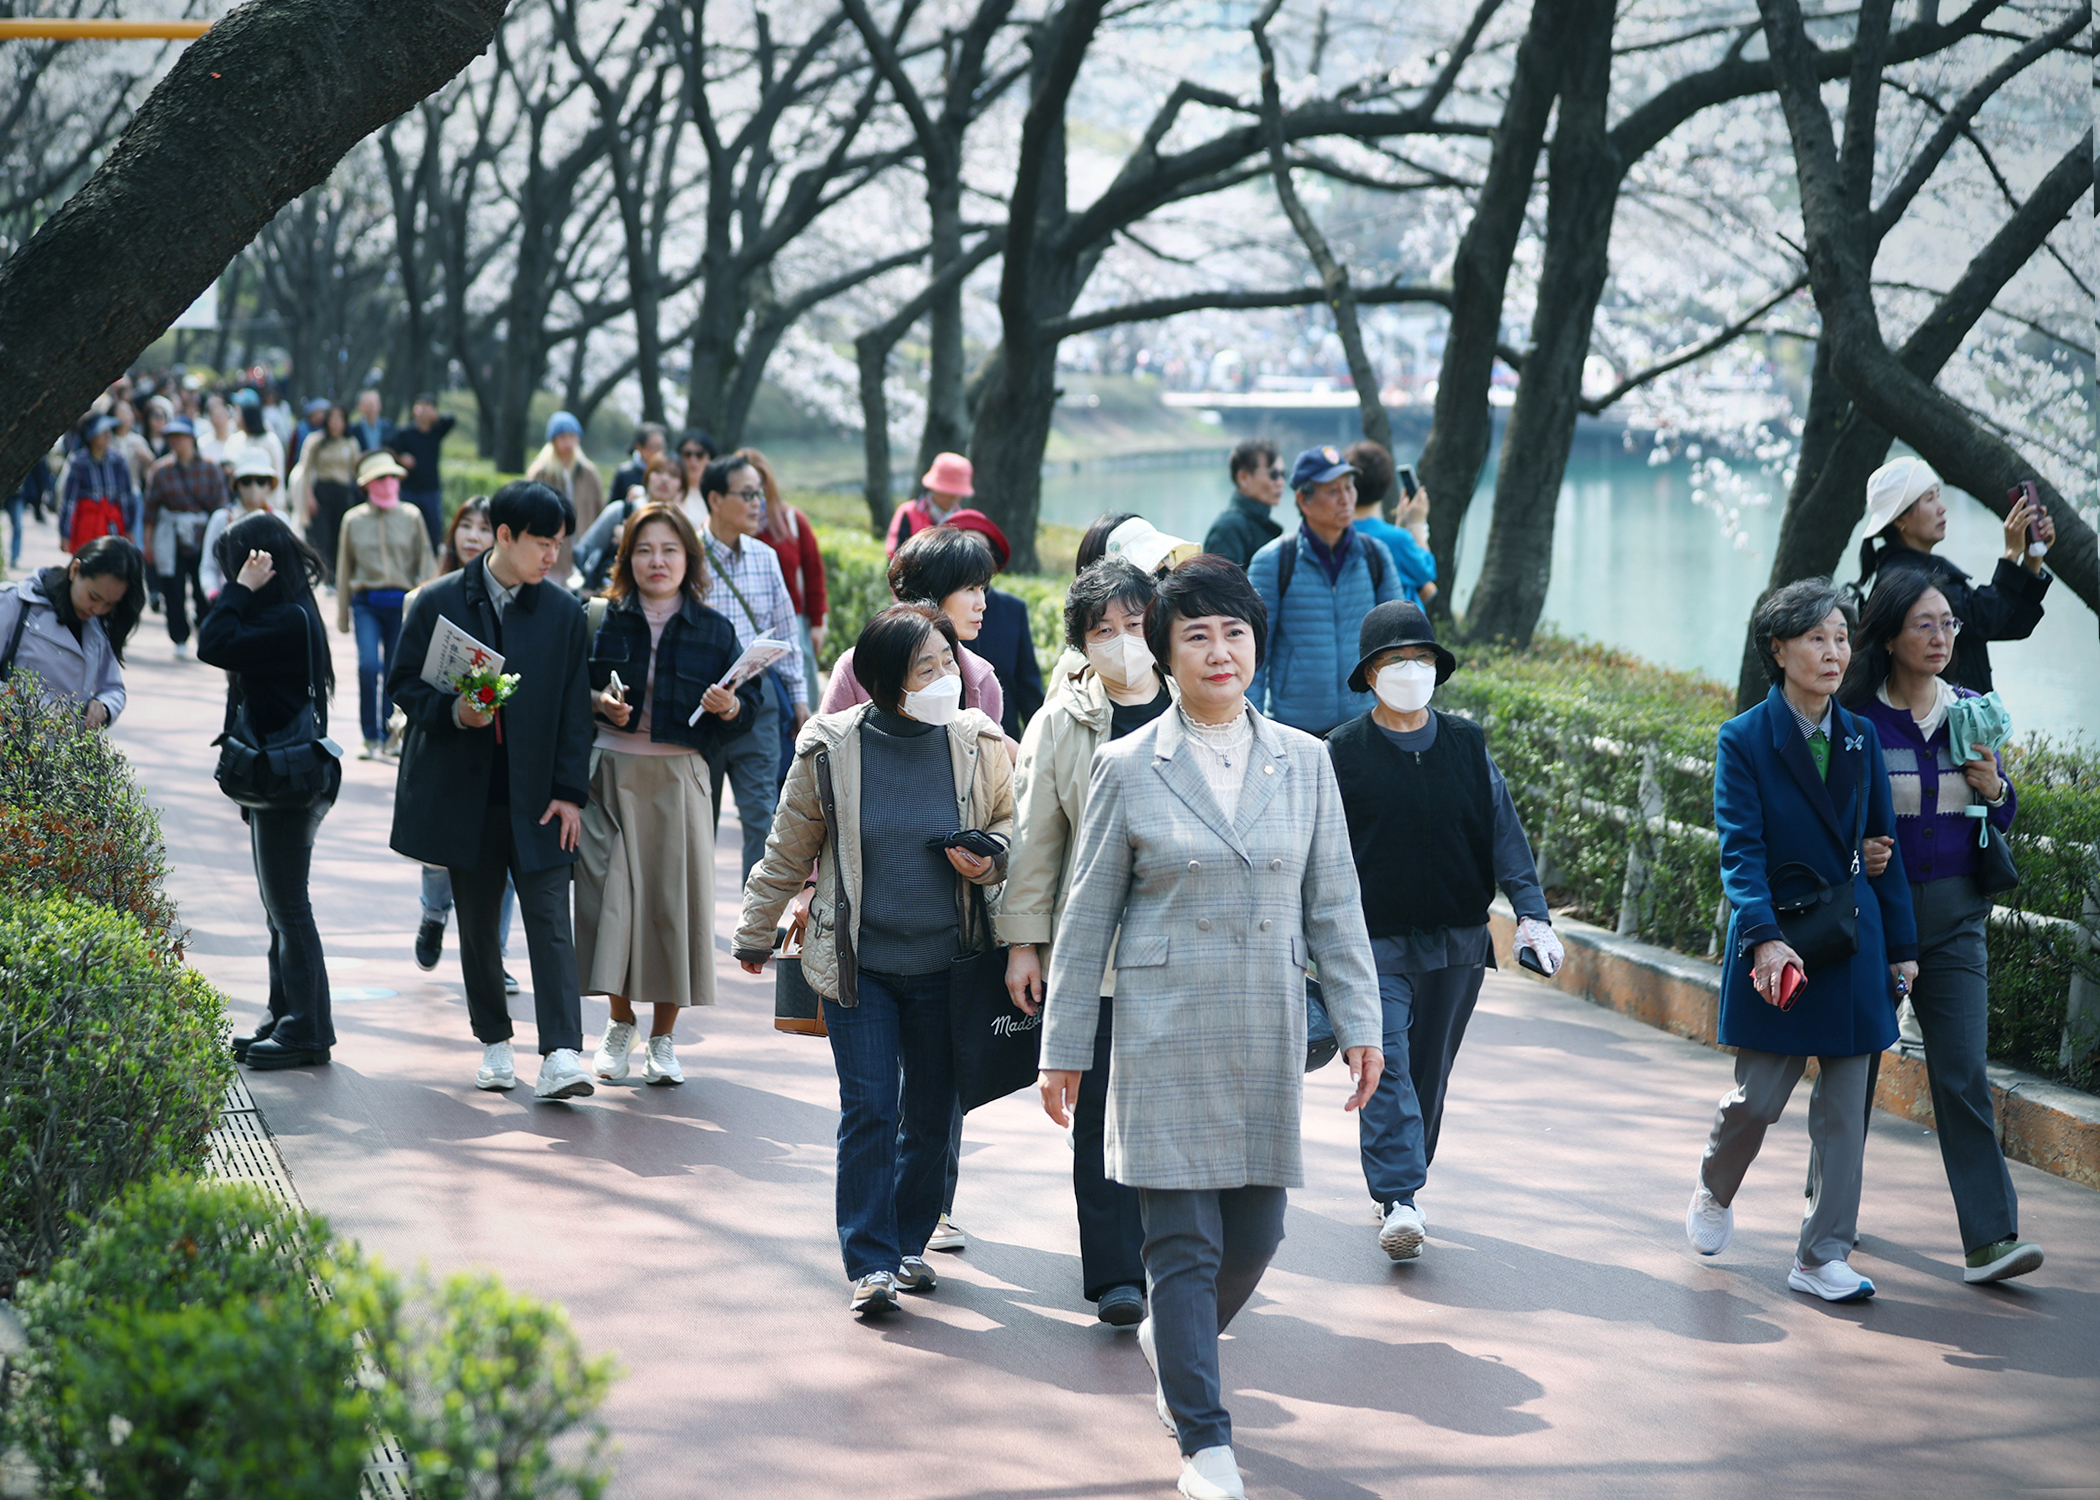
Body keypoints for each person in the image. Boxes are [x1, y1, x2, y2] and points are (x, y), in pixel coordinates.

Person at [1036, 555, 1382, 1500]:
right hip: (1160, 1026)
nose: (1219, 651)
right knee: (1179, 1246)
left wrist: (1361, 1022)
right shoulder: (1125, 765)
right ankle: (1205, 1440)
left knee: (1258, 1234)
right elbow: (1086, 918)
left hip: (1265, 1025)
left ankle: (1169, 1337)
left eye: (1234, 632)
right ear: (1166, 650)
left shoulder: (1306, 760)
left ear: (1256, 645)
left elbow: (1336, 903)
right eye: (1197, 635)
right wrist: (1065, 1048)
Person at [733, 603, 1015, 1317]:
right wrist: (754, 929)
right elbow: (787, 846)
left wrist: (987, 863)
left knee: (931, 1115)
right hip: (860, 965)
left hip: (948, 967)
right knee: (869, 1109)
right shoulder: (830, 746)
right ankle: (870, 1262)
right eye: (928, 668)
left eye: (948, 662)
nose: (948, 676)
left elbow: (1013, 830)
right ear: (888, 682)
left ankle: (908, 1241)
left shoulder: (978, 741)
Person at [1687, 577, 1918, 1302]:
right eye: (1816, 637)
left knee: (1845, 1111)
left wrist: (1903, 946)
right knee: (1757, 1102)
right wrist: (1759, 939)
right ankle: (1714, 1187)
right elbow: (1740, 851)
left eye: (1842, 637)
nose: (1834, 651)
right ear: (1778, 649)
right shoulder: (1745, 738)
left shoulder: (1861, 735)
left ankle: (1821, 1256)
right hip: (1780, 948)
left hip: (1852, 943)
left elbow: (1885, 847)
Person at [1324, 601, 1563, 1261]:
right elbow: (1317, 851)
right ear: (1370, 674)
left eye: (1421, 658)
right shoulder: (1340, 752)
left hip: (1457, 939)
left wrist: (1532, 912)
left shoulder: (1466, 744)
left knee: (1428, 1070)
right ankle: (1401, 1193)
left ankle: (1401, 1181)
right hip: (1373, 941)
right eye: (1396, 660)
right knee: (1386, 1062)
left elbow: (1503, 833)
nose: (1411, 670)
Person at [1840, 572, 2043, 1285]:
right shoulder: (1857, 719)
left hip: (1957, 915)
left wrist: (1998, 792)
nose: (1941, 637)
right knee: (1854, 1066)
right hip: (1874, 915)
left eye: (1949, 624)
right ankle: (1830, 1201)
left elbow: (1997, 812)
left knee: (1962, 1074)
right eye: (1924, 625)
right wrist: (1854, 851)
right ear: (1890, 636)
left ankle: (1991, 1239)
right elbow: (1829, 814)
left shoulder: (1974, 712)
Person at [998, 558, 1170, 1326]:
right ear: (1082, 644)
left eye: (1137, 625)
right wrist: (1025, 943)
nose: (1124, 642)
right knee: (1098, 1114)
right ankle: (1114, 1277)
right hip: (1095, 953)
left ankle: (1176, 1260)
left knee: (1173, 1114)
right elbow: (1036, 839)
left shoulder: (1201, 702)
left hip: (1186, 952)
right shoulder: (1061, 723)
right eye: (1105, 631)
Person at [386, 480, 597, 1101]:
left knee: (551, 921)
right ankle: (495, 1043)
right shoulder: (438, 601)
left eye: (559, 543)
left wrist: (570, 793)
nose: (552, 556)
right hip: (464, 792)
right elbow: (402, 684)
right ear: (504, 536)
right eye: (542, 543)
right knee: (477, 926)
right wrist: (457, 712)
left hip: (537, 796)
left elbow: (572, 714)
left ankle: (561, 1053)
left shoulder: (563, 612)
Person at [579, 505, 762, 1086]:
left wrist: (730, 706)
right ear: (627, 558)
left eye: (669, 550)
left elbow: (745, 715)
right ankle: (617, 1021)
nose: (657, 561)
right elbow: (567, 693)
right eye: (644, 550)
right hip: (606, 774)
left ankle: (662, 1038)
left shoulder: (714, 628)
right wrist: (595, 704)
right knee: (605, 902)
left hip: (680, 780)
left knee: (669, 907)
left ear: (688, 558)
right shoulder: (600, 620)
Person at [197, 513, 341, 1071]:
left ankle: (307, 1029)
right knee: (277, 905)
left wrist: (238, 590)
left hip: (289, 777)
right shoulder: (288, 612)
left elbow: (213, 642)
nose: (232, 576)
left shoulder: (285, 618)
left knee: (288, 905)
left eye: (238, 566)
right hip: (278, 772)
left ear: (260, 564)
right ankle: (284, 1014)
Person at [410, 496, 519, 989]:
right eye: (466, 526)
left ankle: (494, 957)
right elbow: (404, 679)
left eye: (484, 526)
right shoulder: (428, 598)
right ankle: (434, 913)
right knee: (440, 853)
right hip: (447, 742)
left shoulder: (525, 600)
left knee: (504, 860)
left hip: (502, 749)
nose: (473, 536)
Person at [695, 453, 811, 880]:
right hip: (702, 706)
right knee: (695, 823)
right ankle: (691, 927)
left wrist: (799, 699)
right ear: (714, 499)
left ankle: (753, 935)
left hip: (758, 703)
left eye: (760, 493)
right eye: (747, 494)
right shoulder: (685, 555)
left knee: (762, 818)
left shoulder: (765, 557)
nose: (758, 503)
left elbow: (787, 634)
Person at [1853, 456, 2054, 694]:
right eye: (1930, 498)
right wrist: (2011, 554)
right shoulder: (1903, 580)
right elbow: (1983, 618)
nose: (1942, 507)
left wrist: (2032, 557)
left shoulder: (1925, 568)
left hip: (1967, 715)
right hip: (1938, 721)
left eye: (1938, 495)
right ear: (1900, 520)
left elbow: (2011, 624)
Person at [1247, 445, 1404, 736]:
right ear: (1303, 500)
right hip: (1295, 728)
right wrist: (1251, 729)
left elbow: (1398, 641)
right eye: (1333, 491)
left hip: (1366, 724)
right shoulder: (1274, 561)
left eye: (1349, 488)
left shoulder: (1375, 556)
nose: (1346, 499)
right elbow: (1254, 653)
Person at [820, 524, 1005, 726]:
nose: (982, 604)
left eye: (982, 589)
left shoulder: (983, 682)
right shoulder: (854, 668)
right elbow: (825, 746)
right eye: (970, 588)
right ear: (932, 589)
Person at [336, 451, 434, 760]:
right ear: (366, 485)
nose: (387, 483)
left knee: (397, 670)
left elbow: (426, 561)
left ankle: (391, 732)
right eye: (380, 478)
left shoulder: (410, 516)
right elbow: (343, 568)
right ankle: (368, 735)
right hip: (366, 603)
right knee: (368, 666)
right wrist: (342, 614)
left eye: (392, 477)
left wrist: (430, 610)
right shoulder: (353, 520)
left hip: (402, 604)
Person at [0, 536, 138, 726]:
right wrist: (36, 708)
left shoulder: (98, 626)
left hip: (65, 753)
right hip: (13, 745)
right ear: (75, 570)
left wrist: (103, 706)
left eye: (109, 604)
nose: (97, 609)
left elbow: (113, 688)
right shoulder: (15, 603)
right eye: (93, 597)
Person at [944, 509, 1044, 739]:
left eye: (981, 550)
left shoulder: (1013, 609)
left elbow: (1028, 685)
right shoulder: (935, 617)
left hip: (1004, 738)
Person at [746, 448, 828, 712]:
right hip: (747, 622)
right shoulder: (732, 530)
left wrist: (816, 623)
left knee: (800, 694)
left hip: (792, 621)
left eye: (759, 483)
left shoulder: (792, 521)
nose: (754, 493)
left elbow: (814, 573)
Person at [141, 417, 225, 659]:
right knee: (173, 589)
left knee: (203, 589)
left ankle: (205, 631)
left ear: (192, 438)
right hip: (171, 535)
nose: (176, 442)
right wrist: (148, 544)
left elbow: (220, 507)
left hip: (203, 534)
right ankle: (179, 636)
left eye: (181, 437)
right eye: (172, 438)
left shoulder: (210, 467)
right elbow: (150, 511)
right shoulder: (160, 470)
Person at [1345, 440, 1437, 608]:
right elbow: (1427, 570)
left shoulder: (1337, 534)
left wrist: (1400, 525)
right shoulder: (1396, 540)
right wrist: (1417, 524)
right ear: (1386, 484)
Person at [575, 455, 683, 595]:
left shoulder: (683, 525)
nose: (665, 479)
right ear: (647, 477)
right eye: (658, 472)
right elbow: (583, 551)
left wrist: (628, 540)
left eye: (673, 475)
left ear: (682, 487)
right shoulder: (620, 511)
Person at [524, 410, 606, 584]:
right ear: (553, 440)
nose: (568, 442)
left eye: (572, 436)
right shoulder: (541, 472)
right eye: (562, 437)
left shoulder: (588, 473)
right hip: (548, 554)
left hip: (582, 552)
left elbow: (601, 511)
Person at [201, 452, 281, 601]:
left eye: (261, 481)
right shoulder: (222, 519)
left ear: (270, 485)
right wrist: (214, 595)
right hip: (230, 599)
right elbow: (208, 567)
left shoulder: (280, 520)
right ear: (236, 485)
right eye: (247, 481)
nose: (254, 487)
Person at [296, 403, 362, 581]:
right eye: (332, 418)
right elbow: (306, 470)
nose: (335, 423)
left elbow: (357, 472)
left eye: (339, 419)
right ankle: (324, 574)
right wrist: (308, 496)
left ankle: (339, 575)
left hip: (342, 492)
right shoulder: (316, 441)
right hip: (322, 491)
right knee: (321, 536)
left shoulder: (351, 443)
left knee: (339, 535)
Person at [387, 393, 458, 551]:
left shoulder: (436, 431)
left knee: (434, 530)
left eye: (428, 408)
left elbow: (451, 419)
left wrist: (435, 417)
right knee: (407, 528)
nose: (423, 412)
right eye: (420, 407)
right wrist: (400, 458)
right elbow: (387, 448)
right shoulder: (404, 433)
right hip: (409, 489)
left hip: (431, 490)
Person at [1199, 439, 1284, 569]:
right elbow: (1219, 587)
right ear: (1243, 478)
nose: (1281, 482)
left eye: (1283, 475)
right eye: (1274, 475)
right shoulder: (1228, 529)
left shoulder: (1258, 525)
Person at [59, 414, 137, 552]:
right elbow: (69, 501)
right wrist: (65, 534)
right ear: (91, 437)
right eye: (102, 432)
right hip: (87, 525)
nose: (107, 435)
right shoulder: (78, 462)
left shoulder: (118, 460)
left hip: (112, 523)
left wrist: (129, 528)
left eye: (109, 431)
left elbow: (126, 496)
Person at [883, 451, 974, 558]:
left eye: (957, 493)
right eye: (947, 492)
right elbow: (895, 553)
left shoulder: (965, 521)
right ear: (934, 488)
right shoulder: (909, 512)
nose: (953, 497)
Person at [222, 390, 287, 506]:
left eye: (239, 412)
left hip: (268, 504)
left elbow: (278, 474)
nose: (235, 417)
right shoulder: (234, 440)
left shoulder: (270, 441)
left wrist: (277, 504)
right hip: (241, 504)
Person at [7, 447, 56, 571]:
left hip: (18, 495)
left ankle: (14, 556)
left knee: (17, 525)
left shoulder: (25, 457)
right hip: (10, 495)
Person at [610, 422, 669, 502]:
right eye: (655, 447)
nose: (659, 452)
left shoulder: (669, 474)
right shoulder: (626, 473)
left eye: (662, 447)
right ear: (639, 448)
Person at [350, 389, 393, 453]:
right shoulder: (353, 430)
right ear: (360, 406)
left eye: (375, 403)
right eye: (369, 404)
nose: (372, 407)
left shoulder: (388, 426)